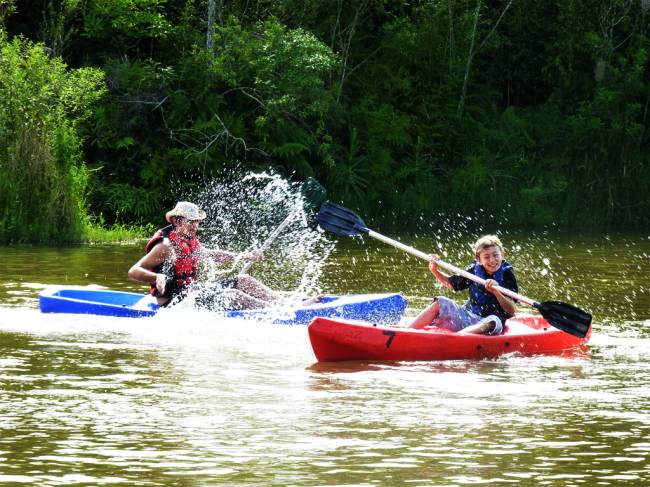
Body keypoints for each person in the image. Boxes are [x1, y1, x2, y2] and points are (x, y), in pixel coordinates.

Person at [128, 201, 291, 309]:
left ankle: (287, 305)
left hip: (192, 293)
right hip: (174, 303)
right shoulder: (165, 246)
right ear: (177, 222)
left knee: (244, 280)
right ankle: (282, 313)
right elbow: (134, 271)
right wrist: (156, 278)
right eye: (190, 221)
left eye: (197, 221)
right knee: (233, 295)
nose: (195, 225)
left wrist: (245, 256)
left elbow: (213, 255)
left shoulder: (189, 240)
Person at [409, 235, 517, 334]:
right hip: (469, 316)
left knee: (493, 321)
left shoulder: (507, 274)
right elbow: (451, 284)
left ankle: (458, 337)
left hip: (490, 321)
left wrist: (496, 292)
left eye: (495, 255)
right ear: (479, 259)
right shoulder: (473, 270)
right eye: (487, 257)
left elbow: (511, 311)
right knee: (440, 302)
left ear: (502, 254)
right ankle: (408, 332)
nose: (492, 260)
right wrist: (434, 270)